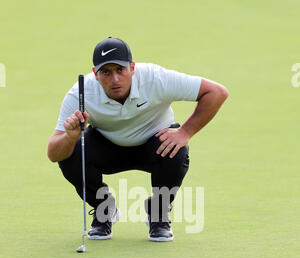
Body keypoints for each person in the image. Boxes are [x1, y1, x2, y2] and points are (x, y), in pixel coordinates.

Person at [47, 37, 228, 242]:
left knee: (176, 148)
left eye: (120, 70)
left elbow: (216, 92)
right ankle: (104, 210)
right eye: (106, 72)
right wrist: (70, 138)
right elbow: (53, 152)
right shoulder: (81, 92)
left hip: (154, 144)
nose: (115, 79)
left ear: (132, 68)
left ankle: (158, 215)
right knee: (71, 153)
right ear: (96, 74)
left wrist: (185, 132)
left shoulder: (155, 78)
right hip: (107, 146)